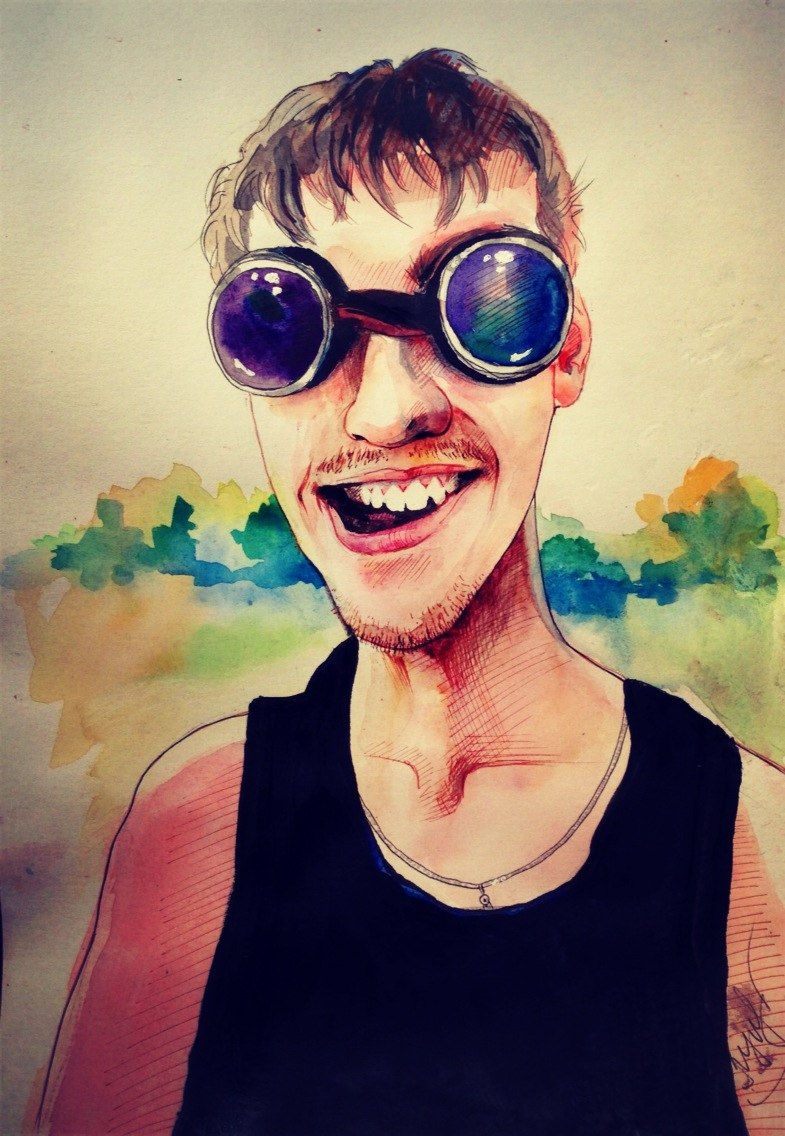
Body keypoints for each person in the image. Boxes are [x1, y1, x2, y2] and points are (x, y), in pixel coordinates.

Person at [38, 49, 784, 1136]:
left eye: (487, 303)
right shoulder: (194, 832)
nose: (384, 411)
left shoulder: (753, 857)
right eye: (285, 324)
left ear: (565, 351)